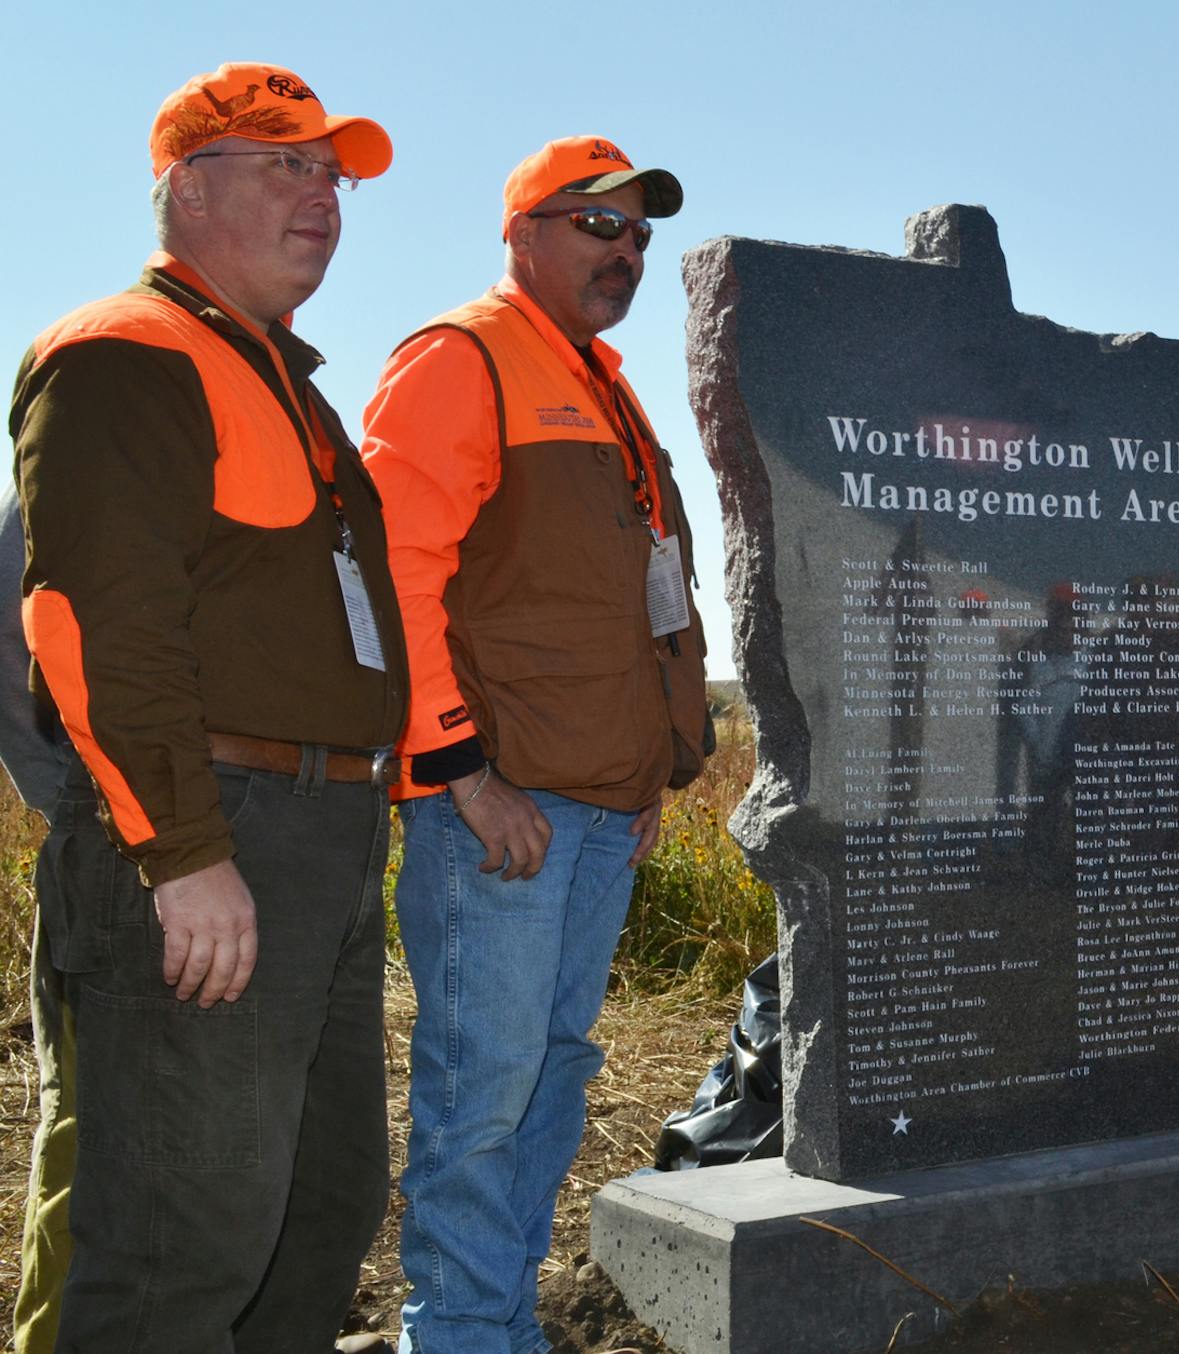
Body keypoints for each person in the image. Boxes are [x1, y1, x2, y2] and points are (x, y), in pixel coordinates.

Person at [10, 61, 408, 1351]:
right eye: (285, 163)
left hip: (322, 843)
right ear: (186, 186)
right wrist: (184, 854)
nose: (324, 197)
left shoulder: (291, 386)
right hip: (209, 841)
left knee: (317, 1209)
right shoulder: (124, 354)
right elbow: (94, 629)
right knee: (181, 1246)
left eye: (331, 173)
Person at [361, 134, 713, 1353]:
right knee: (484, 1091)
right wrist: (456, 767)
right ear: (521, 232)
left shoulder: (605, 385)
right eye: (595, 224)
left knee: (552, 1081)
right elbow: (392, 570)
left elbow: (642, 603)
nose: (627, 251)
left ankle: (499, 1325)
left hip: (600, 813)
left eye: (639, 233)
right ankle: (455, 1334)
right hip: (499, 811)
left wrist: (652, 768)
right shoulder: (463, 359)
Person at [1, 475, 74, 1354]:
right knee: (91, 1136)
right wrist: (97, 823)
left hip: (260, 862)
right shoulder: (103, 396)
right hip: (118, 853)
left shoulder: (292, 406)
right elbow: (9, 659)